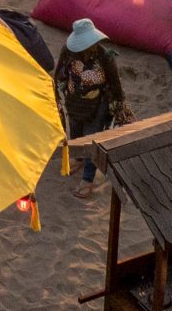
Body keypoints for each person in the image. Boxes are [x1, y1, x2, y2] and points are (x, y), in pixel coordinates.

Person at [54, 18, 127, 198]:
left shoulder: (105, 57)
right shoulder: (68, 51)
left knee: (92, 139)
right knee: (76, 132)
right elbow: (59, 73)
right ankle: (78, 158)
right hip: (74, 102)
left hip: (97, 105)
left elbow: (115, 83)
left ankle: (88, 178)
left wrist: (118, 104)